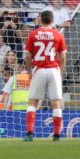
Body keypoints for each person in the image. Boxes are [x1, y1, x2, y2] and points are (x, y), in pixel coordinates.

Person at [23, 10, 67, 141]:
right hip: (54, 70)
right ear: (53, 21)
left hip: (39, 69)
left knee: (33, 102)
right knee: (56, 103)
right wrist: (61, 71)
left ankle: (30, 133)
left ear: (40, 20)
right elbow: (63, 55)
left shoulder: (33, 34)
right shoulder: (58, 34)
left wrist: (29, 72)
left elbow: (27, 55)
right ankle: (57, 135)